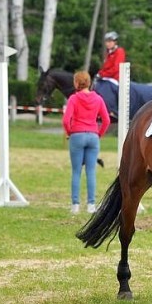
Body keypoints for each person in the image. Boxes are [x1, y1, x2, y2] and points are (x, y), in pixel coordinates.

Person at [62, 70, 111, 214]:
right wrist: (99, 134)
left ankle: (75, 205)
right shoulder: (98, 99)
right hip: (93, 136)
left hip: (77, 134)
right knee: (91, 172)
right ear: (89, 83)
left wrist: (70, 132)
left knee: (76, 171)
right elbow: (106, 120)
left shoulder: (73, 99)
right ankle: (91, 205)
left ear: (77, 83)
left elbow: (66, 120)